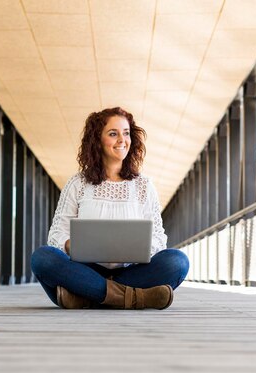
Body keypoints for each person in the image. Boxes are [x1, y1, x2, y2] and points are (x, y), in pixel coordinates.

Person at [30, 107, 189, 310]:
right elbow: (56, 235)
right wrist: (74, 245)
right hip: (85, 269)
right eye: (113, 134)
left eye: (126, 133)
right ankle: (133, 297)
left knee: (177, 261)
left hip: (132, 271)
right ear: (97, 140)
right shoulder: (78, 184)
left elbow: (158, 238)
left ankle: (86, 295)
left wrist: (134, 250)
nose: (122, 140)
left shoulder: (144, 186)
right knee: (43, 258)